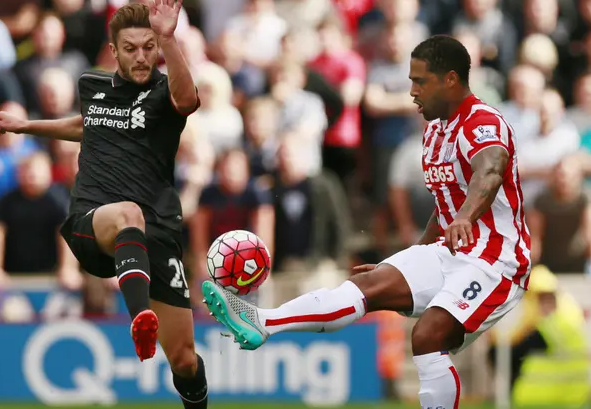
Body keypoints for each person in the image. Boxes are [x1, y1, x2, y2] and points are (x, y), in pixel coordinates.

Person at [202, 35, 531, 409]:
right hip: (451, 252)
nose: (411, 91)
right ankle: (262, 321)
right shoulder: (435, 132)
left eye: (420, 81)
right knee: (370, 283)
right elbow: (443, 208)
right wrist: (409, 261)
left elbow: (488, 172)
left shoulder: (483, 121)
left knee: (427, 336)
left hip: (497, 263)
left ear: (450, 79)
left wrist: (465, 218)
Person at [0, 0, 209, 409]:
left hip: (157, 231)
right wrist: (25, 126)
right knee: (127, 214)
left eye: (149, 47)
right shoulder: (92, 85)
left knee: (183, 359)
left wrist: (170, 39)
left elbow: (187, 100)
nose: (142, 56)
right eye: (131, 48)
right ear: (114, 51)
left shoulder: (165, 93)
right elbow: (87, 123)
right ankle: (139, 316)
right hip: (95, 221)